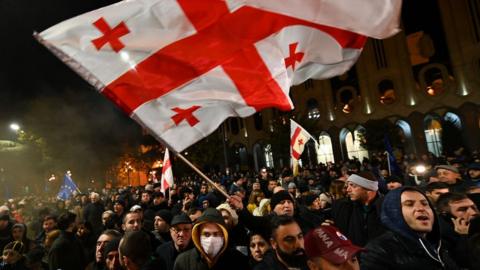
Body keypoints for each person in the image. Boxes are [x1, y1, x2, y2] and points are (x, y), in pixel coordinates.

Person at [360, 187, 459, 269]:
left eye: (425, 204)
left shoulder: (440, 245)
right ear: (394, 213)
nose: (421, 208)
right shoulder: (377, 251)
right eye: (409, 204)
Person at [173, 208, 248, 270]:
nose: (211, 239)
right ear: (198, 236)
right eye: (206, 234)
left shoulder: (238, 261)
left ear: (224, 235)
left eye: (216, 234)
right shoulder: (183, 261)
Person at [332, 172, 385, 246]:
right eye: (347, 186)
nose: (348, 190)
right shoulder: (345, 206)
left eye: (353, 186)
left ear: (368, 189)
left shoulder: (385, 208)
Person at [436, 192, 479, 268]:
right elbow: (464, 264)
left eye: (474, 207)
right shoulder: (440, 237)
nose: (473, 213)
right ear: (447, 216)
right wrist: (463, 236)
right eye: (463, 209)